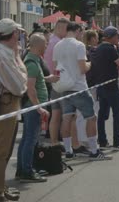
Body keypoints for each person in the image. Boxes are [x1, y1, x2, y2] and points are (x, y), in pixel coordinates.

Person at [53, 22, 111, 160]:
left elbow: (56, 68)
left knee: (67, 118)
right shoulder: (79, 45)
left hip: (65, 87)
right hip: (79, 86)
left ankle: (68, 151)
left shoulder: (57, 45)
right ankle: (94, 151)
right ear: (77, 30)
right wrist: (90, 63)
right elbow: (82, 68)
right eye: (82, 32)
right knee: (91, 118)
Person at [16, 34, 58, 182]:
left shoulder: (33, 61)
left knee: (27, 139)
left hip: (33, 106)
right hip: (34, 107)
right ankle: (27, 171)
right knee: (31, 139)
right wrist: (38, 107)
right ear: (39, 46)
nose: (47, 46)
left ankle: (22, 170)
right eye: (45, 44)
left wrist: (48, 79)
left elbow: (35, 81)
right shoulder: (32, 63)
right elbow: (31, 88)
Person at [0, 19, 28, 202]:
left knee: (6, 149)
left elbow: (21, 80)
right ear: (13, 34)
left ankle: (1, 187)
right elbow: (18, 85)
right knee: (1, 149)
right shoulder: (1, 54)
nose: (20, 36)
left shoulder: (8, 52)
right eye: (18, 33)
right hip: (5, 102)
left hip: (10, 101)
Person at [90, 26, 119, 151]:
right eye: (117, 37)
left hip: (101, 85)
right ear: (112, 37)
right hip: (111, 86)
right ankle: (117, 141)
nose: (118, 39)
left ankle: (102, 140)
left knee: (102, 114)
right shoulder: (110, 48)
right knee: (118, 113)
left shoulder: (98, 48)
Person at [43, 18, 69, 148]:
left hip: (51, 80)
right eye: (66, 29)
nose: (67, 32)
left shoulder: (52, 41)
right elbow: (59, 64)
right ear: (58, 28)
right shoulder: (58, 43)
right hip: (58, 81)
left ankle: (54, 141)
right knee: (64, 114)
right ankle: (63, 141)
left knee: (55, 114)